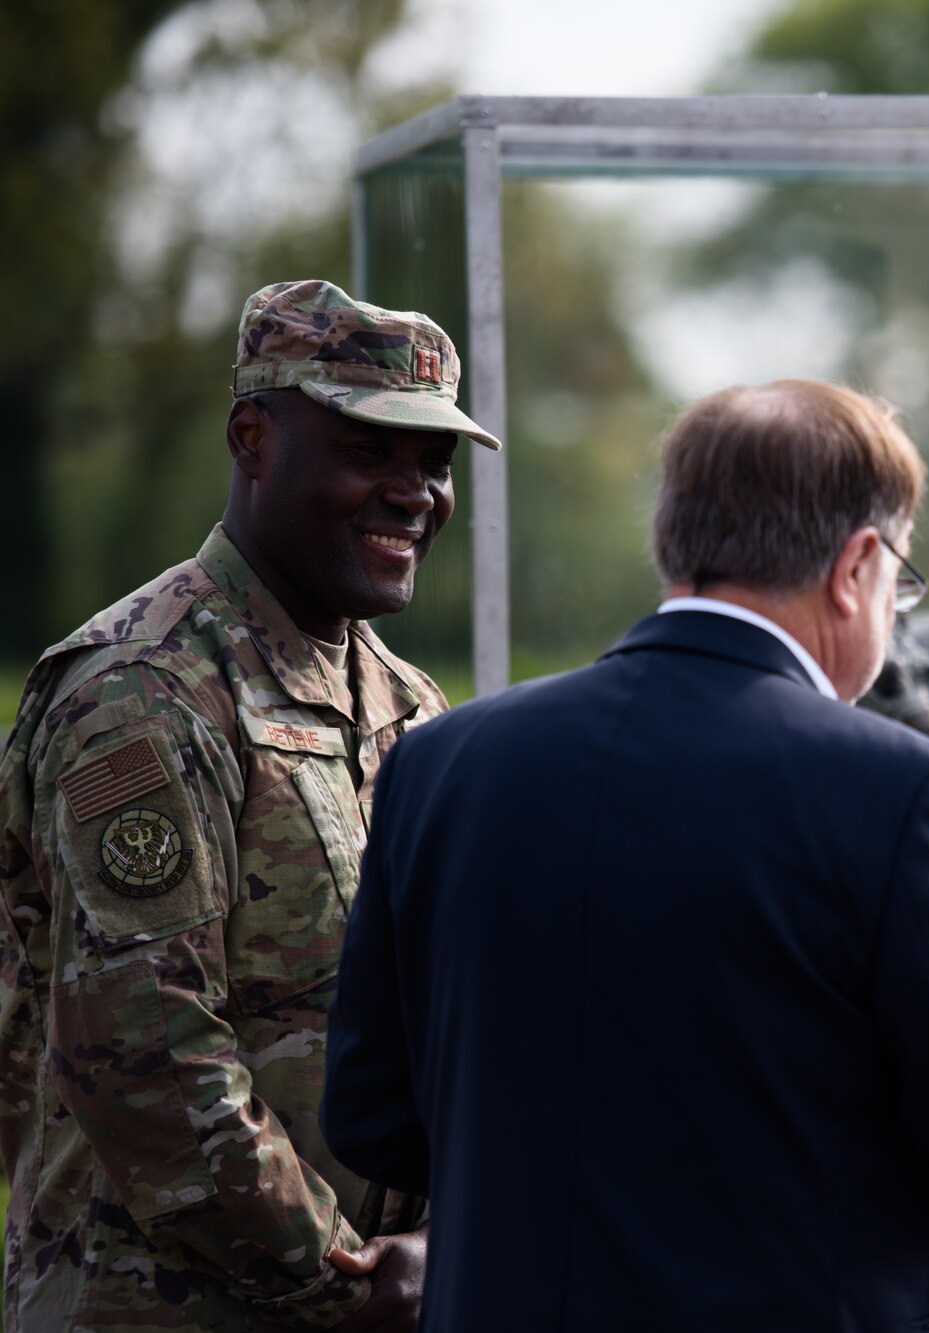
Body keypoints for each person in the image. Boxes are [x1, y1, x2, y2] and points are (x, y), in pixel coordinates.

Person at [319, 379, 929, 1330]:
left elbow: (373, 1116)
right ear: (858, 565)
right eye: (899, 582)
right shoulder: (891, 788)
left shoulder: (443, 762)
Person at [0, 279, 499, 1331]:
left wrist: (449, 1236)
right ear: (251, 437)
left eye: (434, 463)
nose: (415, 492)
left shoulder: (411, 706)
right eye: (371, 450)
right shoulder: (144, 689)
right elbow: (145, 1052)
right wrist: (346, 1278)